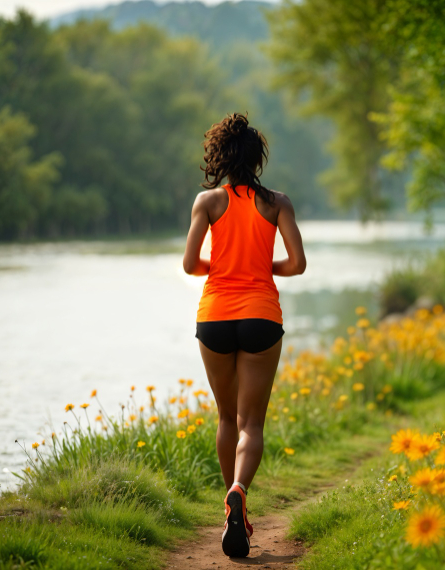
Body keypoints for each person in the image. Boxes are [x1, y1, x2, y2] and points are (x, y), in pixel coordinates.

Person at [182, 113, 306, 558]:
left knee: (226, 418)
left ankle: (231, 508)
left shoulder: (207, 202)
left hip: (214, 316)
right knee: (252, 423)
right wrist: (260, 267)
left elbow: (191, 264)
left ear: (219, 156)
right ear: (257, 159)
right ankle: (239, 488)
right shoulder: (277, 202)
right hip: (260, 317)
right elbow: (297, 264)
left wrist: (226, 267)